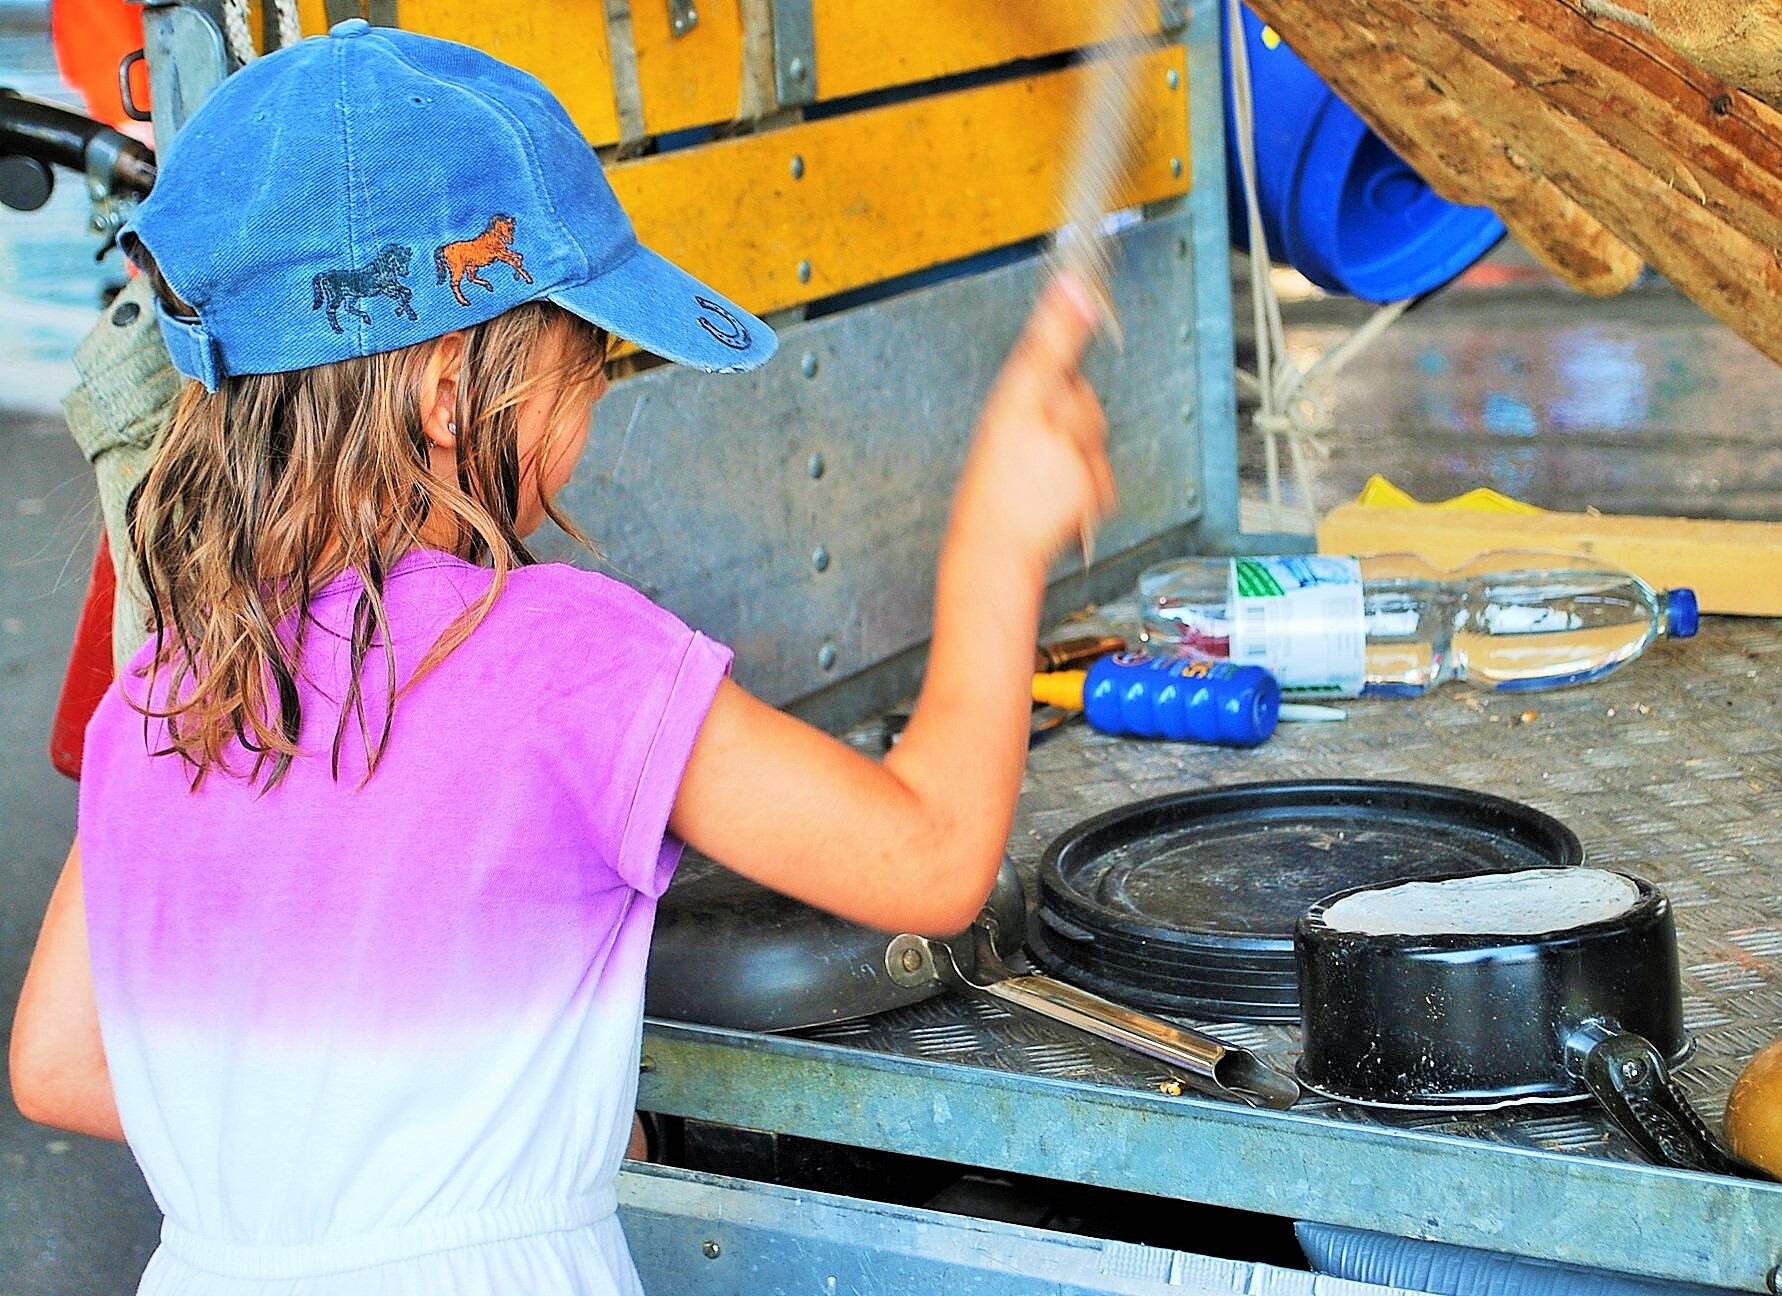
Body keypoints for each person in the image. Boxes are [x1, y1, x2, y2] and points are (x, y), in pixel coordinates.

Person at [9, 20, 1112, 1295]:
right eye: (586, 361)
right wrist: (998, 541)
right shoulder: (564, 658)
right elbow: (927, 859)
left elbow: (60, 1063)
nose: (595, 401)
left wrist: (487, 1138)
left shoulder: (160, 693)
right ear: (444, 392)